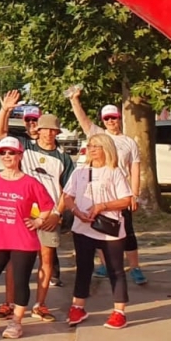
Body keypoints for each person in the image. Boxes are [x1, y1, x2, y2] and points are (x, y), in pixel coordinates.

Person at [0, 92, 75, 320]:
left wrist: (57, 213)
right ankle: (9, 303)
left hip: (48, 215)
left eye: (53, 130)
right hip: (20, 214)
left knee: (46, 259)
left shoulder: (63, 158)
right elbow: (0, 133)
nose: (49, 133)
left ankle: (40, 305)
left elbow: (67, 191)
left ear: (57, 132)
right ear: (37, 130)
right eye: (45, 129)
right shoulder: (24, 147)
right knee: (14, 261)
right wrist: (6, 109)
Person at [0, 137, 55, 339]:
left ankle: (16, 323)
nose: (7, 156)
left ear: (20, 155)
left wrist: (39, 221)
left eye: (11, 153)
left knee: (20, 282)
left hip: (23, 241)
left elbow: (48, 205)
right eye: (3, 153)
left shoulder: (30, 183)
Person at [68, 88, 146, 285]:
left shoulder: (129, 142)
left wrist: (133, 196)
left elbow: (134, 169)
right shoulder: (98, 135)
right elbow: (82, 119)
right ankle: (104, 264)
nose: (111, 121)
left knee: (127, 231)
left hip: (119, 193)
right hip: (97, 193)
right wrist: (74, 100)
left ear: (119, 118)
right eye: (107, 118)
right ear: (102, 121)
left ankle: (135, 267)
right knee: (99, 229)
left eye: (114, 117)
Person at [58, 134, 133, 329]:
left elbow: (126, 200)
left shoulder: (115, 172)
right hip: (82, 227)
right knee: (83, 267)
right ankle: (78, 306)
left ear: (106, 149)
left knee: (115, 269)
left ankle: (119, 311)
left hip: (109, 229)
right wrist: (75, 211)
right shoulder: (79, 172)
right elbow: (67, 196)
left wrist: (102, 206)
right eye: (90, 145)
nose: (91, 149)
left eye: (96, 146)